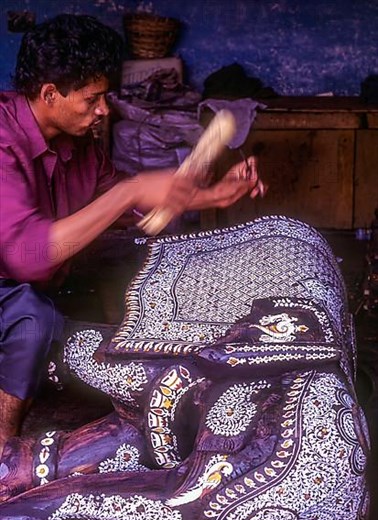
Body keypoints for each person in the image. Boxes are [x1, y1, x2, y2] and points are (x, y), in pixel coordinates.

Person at [0, 13, 265, 459]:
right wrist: (131, 190)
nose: (103, 110)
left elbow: (136, 207)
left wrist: (214, 194)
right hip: (12, 285)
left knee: (139, 257)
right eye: (92, 99)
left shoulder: (78, 147)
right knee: (32, 316)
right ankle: (3, 452)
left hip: (33, 283)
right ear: (50, 94)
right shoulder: (3, 140)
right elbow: (27, 258)